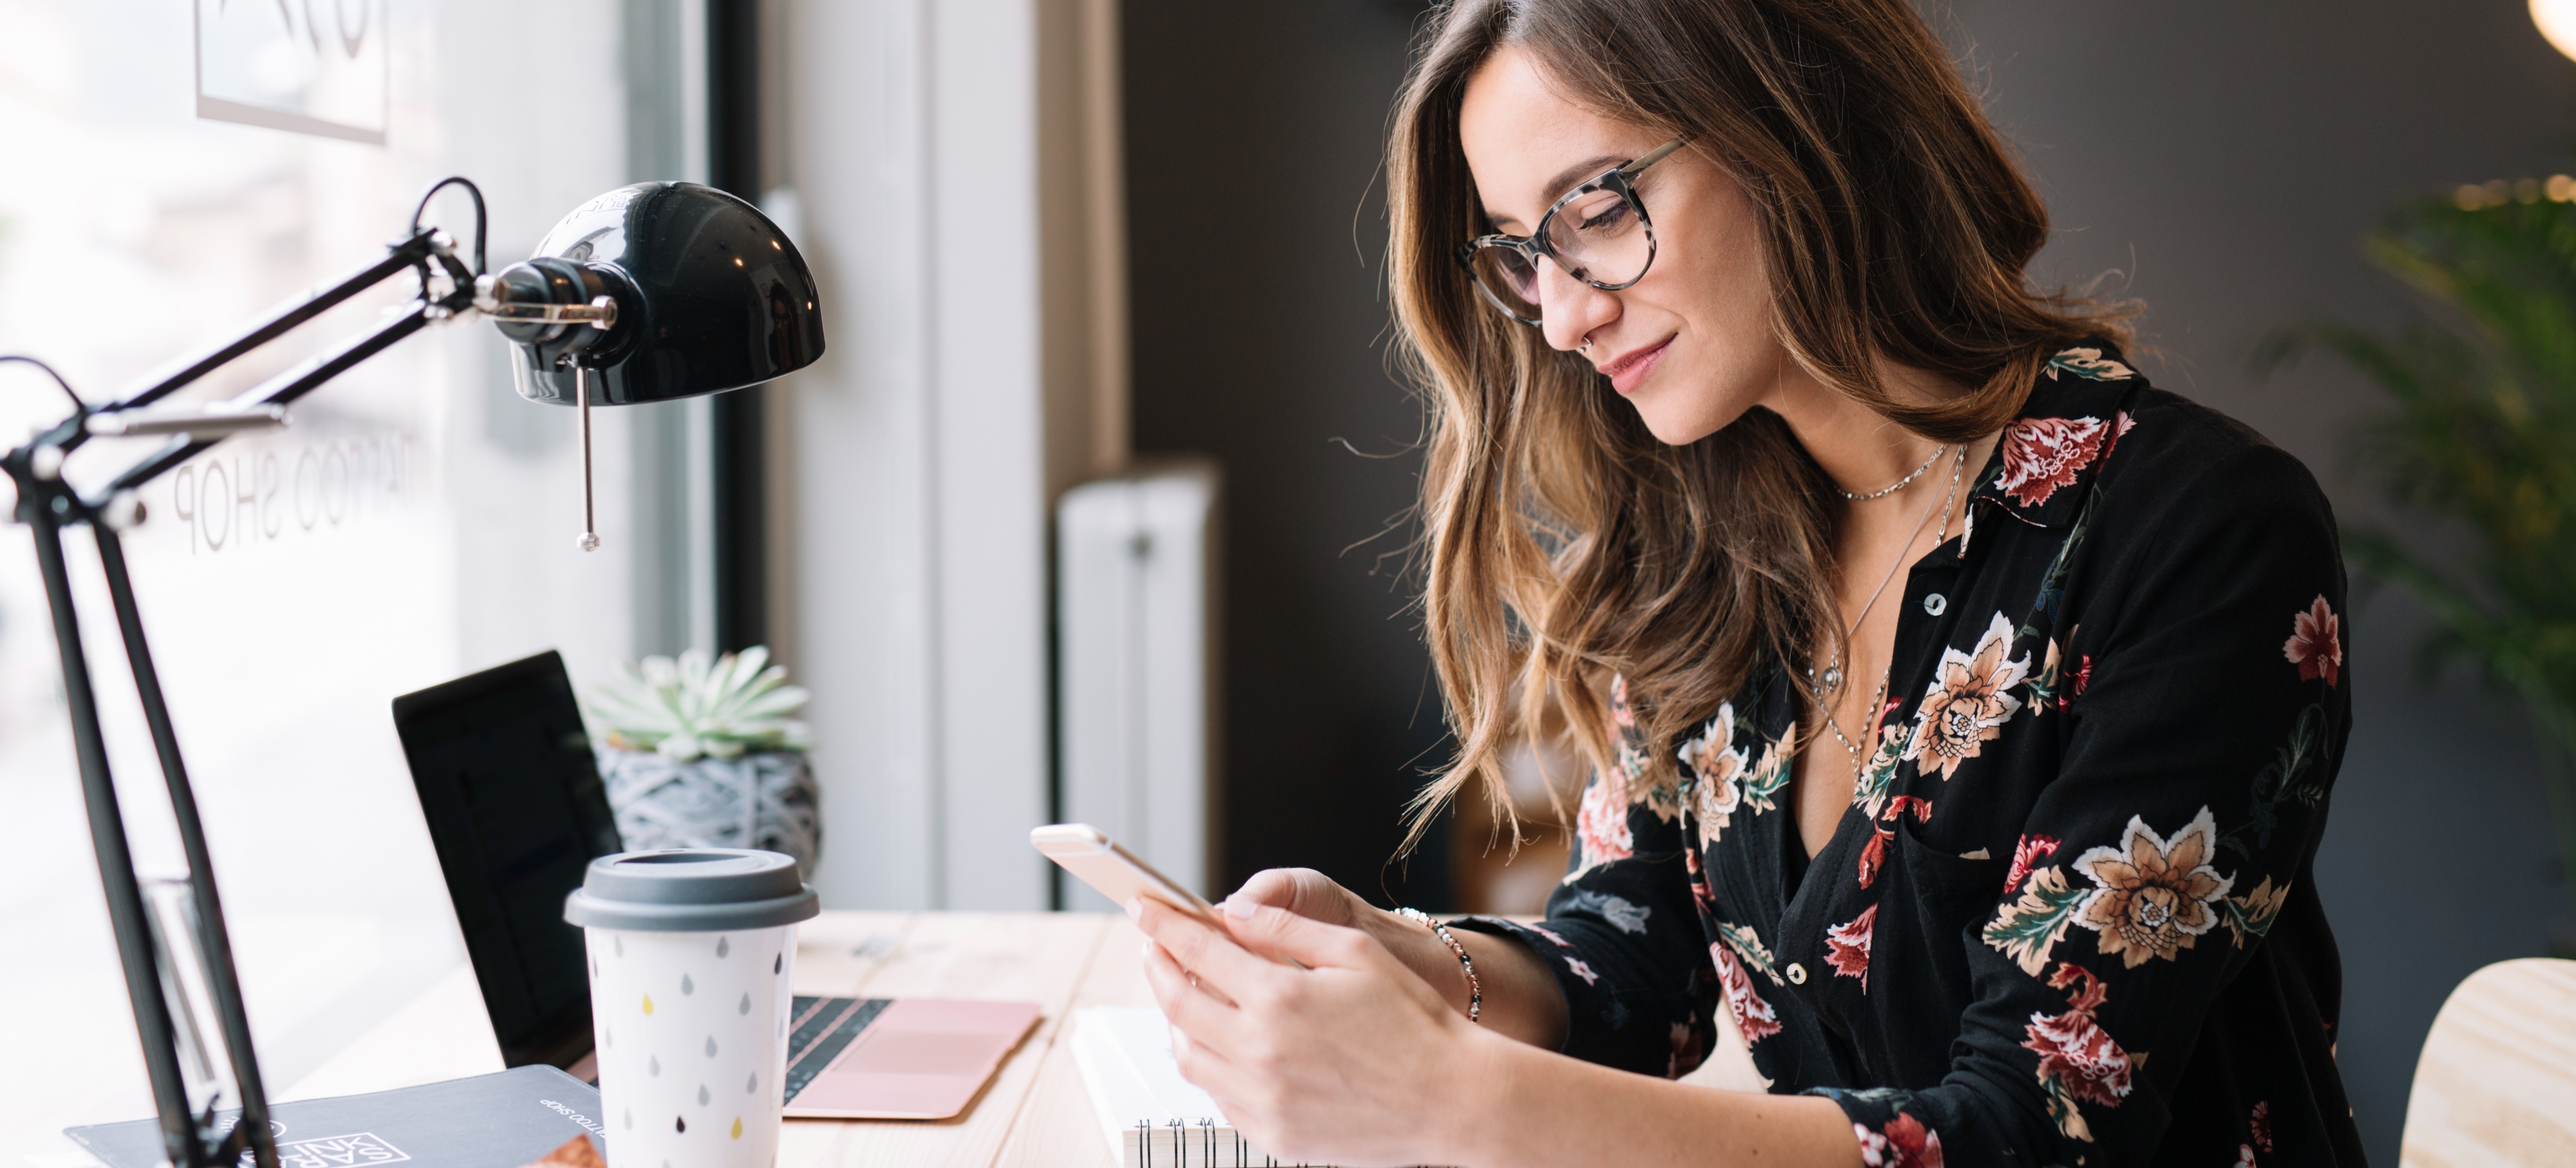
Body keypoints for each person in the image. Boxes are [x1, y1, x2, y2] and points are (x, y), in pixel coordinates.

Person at [1128, 0, 2361, 1163]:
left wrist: (1452, 1098)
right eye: (1522, 253)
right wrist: (1412, 959)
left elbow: (2031, 1134)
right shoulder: (1696, 555)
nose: (1559, 319)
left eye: (1598, 210)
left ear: (1796, 120)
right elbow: (1630, 967)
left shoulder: (2199, 535)